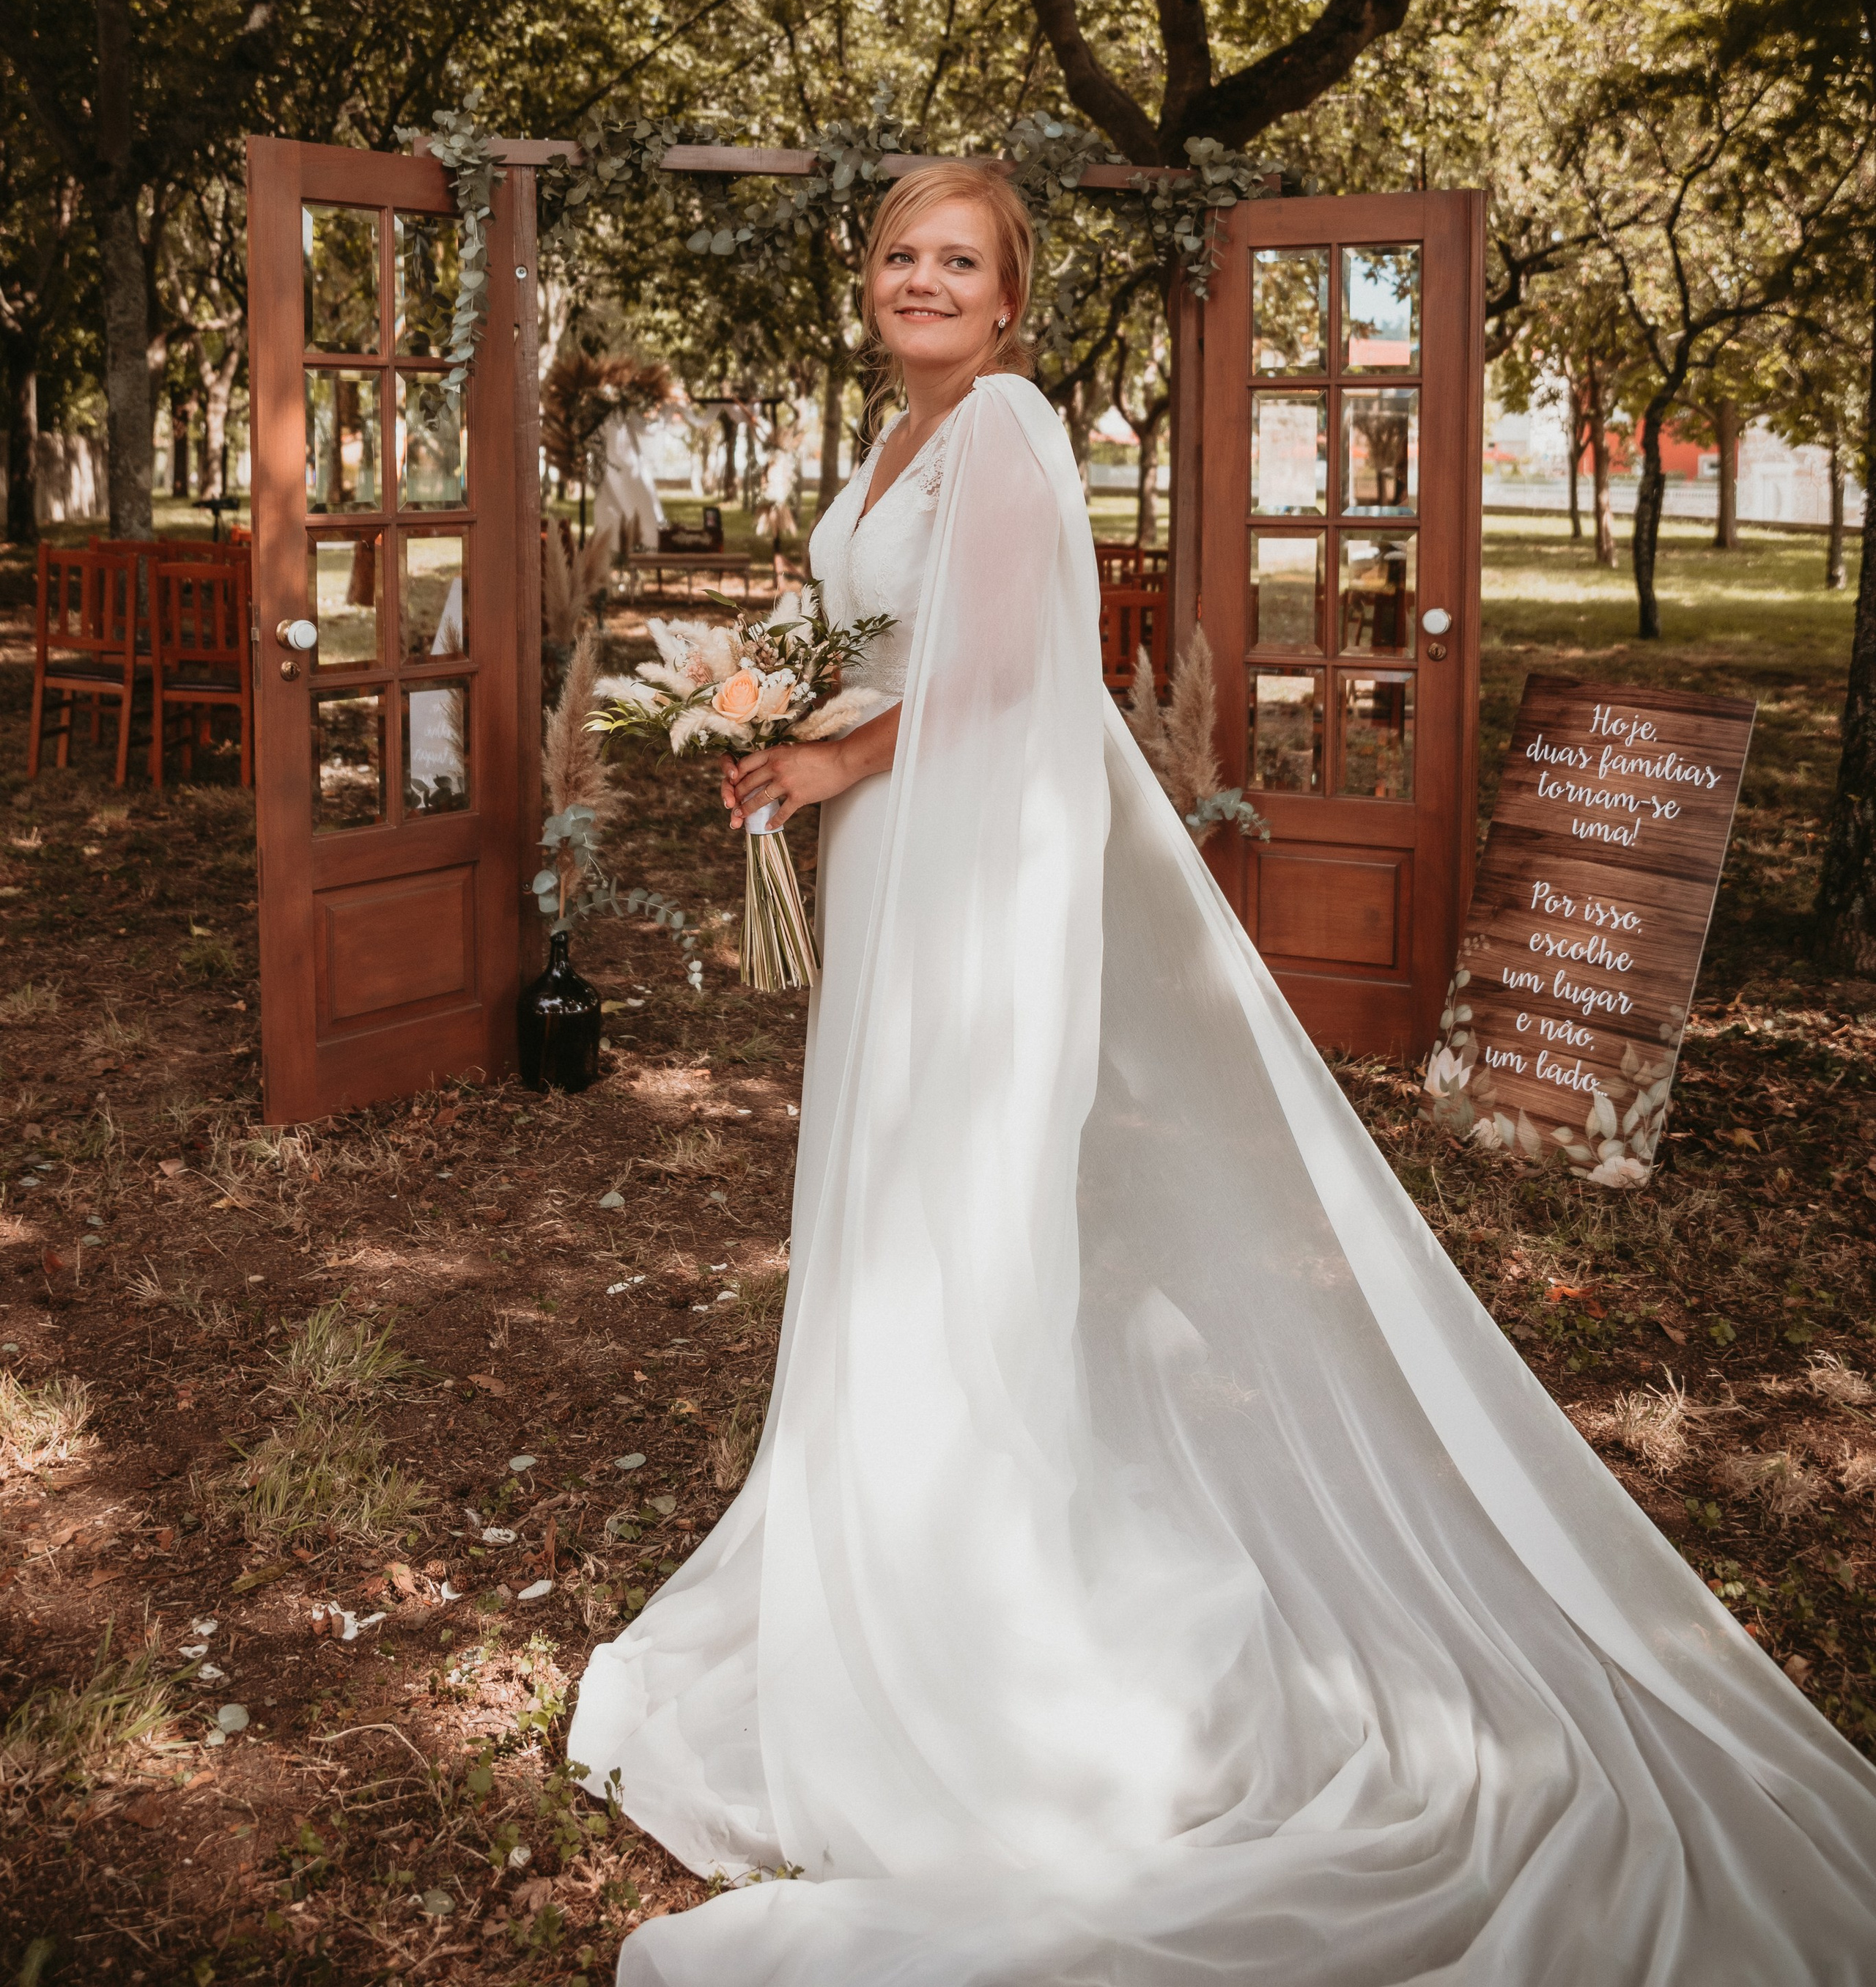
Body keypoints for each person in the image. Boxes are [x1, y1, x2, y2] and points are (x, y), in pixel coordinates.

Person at [568, 159, 1876, 1983]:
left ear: (1008, 298)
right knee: (886, 1198)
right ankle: (878, 1532)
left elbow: (1009, 668)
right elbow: (884, 644)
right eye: (898, 255)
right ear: (869, 280)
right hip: (891, 856)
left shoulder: (1004, 425)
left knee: (960, 1207)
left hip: (972, 872)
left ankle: (975, 1601)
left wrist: (828, 761)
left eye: (957, 261)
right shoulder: (891, 440)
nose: (921, 281)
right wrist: (774, 714)